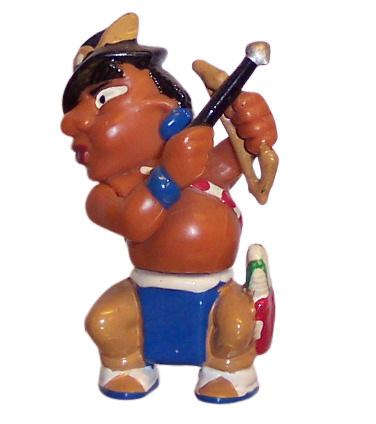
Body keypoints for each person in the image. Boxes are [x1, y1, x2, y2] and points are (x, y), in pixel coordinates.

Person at [60, 12, 278, 404]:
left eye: (103, 99)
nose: (70, 125)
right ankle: (126, 363)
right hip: (143, 293)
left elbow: (248, 159)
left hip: (215, 290)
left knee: (234, 328)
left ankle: (228, 367)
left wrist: (253, 127)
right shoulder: (105, 194)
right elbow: (136, 223)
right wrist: (171, 174)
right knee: (104, 322)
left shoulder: (201, 166)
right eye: (73, 110)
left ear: (170, 110)